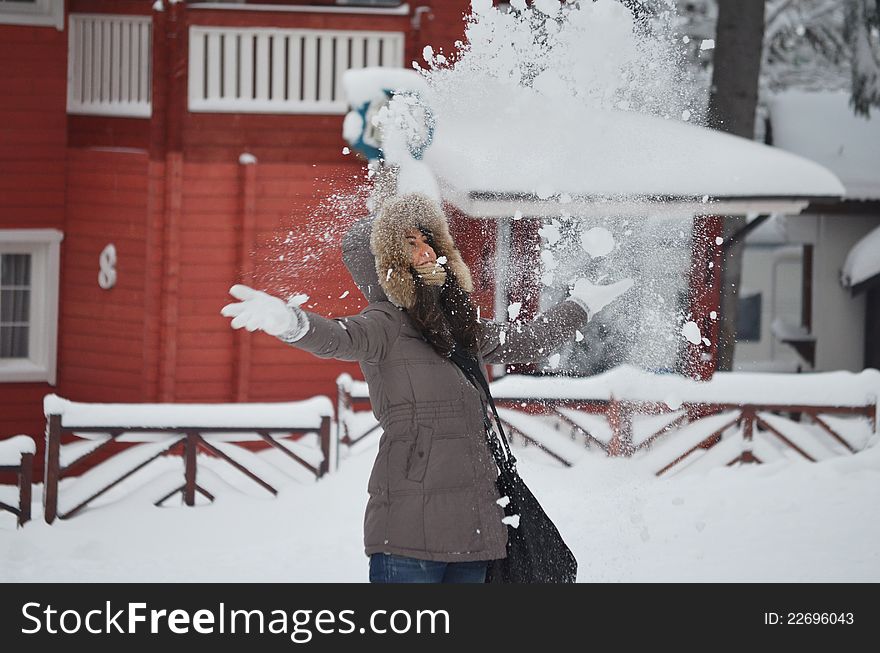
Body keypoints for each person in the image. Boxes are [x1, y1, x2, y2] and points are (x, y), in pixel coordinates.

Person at [221, 193, 632, 583]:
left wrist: (582, 304)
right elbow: (339, 338)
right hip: (407, 534)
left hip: (476, 529)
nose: (427, 251)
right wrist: (292, 323)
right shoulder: (382, 323)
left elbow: (528, 340)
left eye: (427, 239)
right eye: (410, 243)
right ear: (387, 263)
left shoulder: (457, 325)